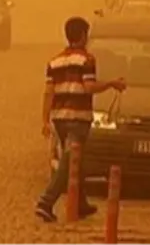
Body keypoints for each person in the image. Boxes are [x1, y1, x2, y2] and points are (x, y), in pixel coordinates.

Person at [34, 16, 126, 224]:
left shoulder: (55, 61)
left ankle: (81, 203)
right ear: (83, 36)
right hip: (78, 118)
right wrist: (112, 84)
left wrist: (45, 120)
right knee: (69, 162)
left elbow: (48, 93)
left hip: (59, 119)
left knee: (75, 160)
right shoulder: (87, 60)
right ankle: (46, 202)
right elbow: (89, 87)